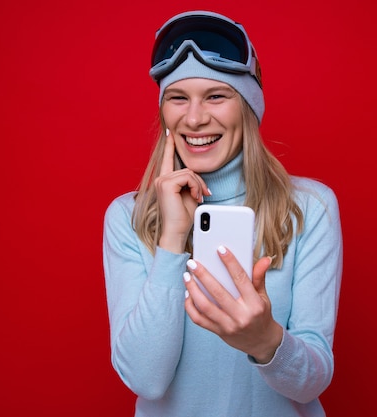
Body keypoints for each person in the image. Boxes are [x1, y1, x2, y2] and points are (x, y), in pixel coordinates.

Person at [103, 10, 343, 417]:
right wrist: (172, 240)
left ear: (248, 108)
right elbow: (145, 380)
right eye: (178, 98)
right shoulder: (127, 217)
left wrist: (265, 341)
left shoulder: (311, 208)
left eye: (216, 95)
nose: (194, 118)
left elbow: (312, 383)